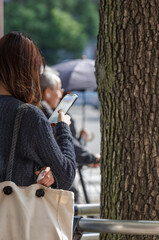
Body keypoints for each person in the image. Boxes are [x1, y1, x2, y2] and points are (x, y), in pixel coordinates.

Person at [0, 31, 76, 190]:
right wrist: (63, 127)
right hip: (13, 212)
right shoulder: (27, 115)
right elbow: (66, 175)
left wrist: (40, 170)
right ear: (27, 70)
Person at [40, 66, 100, 201]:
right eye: (59, 88)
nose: (62, 93)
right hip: (54, 179)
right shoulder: (44, 114)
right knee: (72, 196)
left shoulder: (44, 111)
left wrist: (81, 140)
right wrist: (90, 158)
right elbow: (66, 143)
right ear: (47, 92)